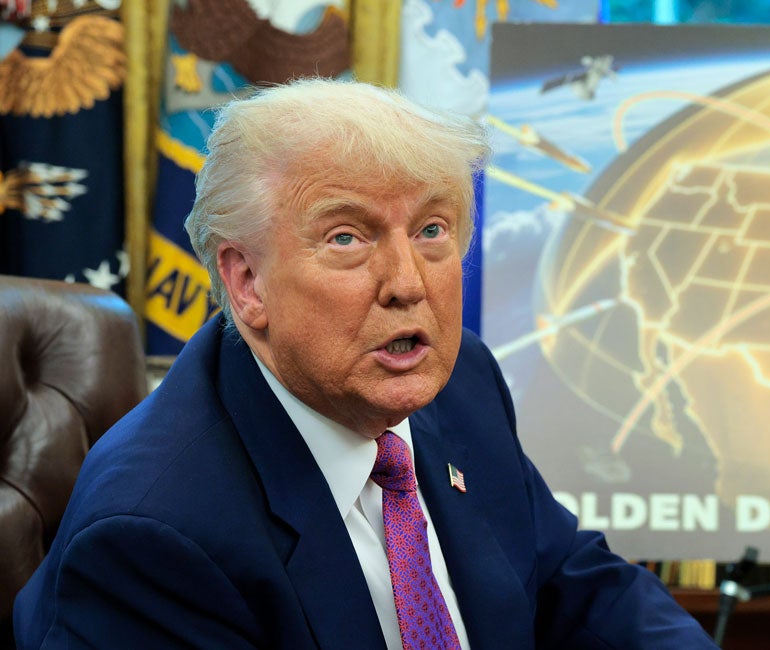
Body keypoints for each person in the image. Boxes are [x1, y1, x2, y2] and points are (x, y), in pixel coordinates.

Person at [14, 78, 716, 649]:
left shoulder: (460, 380)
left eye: (432, 230)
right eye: (348, 238)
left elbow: (576, 583)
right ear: (247, 282)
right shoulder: (155, 538)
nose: (408, 283)